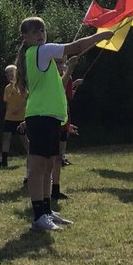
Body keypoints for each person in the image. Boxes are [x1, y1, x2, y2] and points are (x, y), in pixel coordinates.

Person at [15, 17, 113, 231]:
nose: (40, 34)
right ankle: (39, 215)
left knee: (49, 165)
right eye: (34, 31)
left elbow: (57, 85)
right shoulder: (42, 51)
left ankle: (47, 211)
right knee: (38, 167)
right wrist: (102, 35)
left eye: (42, 30)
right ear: (26, 37)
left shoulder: (42, 56)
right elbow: (75, 47)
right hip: (40, 116)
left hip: (49, 116)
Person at [51, 57, 84, 204]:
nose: (60, 65)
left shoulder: (68, 76)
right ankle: (41, 189)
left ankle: (55, 190)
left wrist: (68, 125)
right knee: (47, 158)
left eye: (61, 62)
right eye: (57, 62)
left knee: (58, 156)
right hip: (50, 119)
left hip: (63, 119)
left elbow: (67, 97)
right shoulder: (47, 76)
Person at [0, 64, 28, 168]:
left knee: (24, 138)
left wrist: (18, 108)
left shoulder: (21, 86)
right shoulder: (7, 88)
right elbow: (7, 101)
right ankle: (4, 161)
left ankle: (32, 156)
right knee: (6, 137)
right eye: (8, 74)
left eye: (12, 73)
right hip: (9, 117)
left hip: (20, 117)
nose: (10, 76)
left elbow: (26, 99)